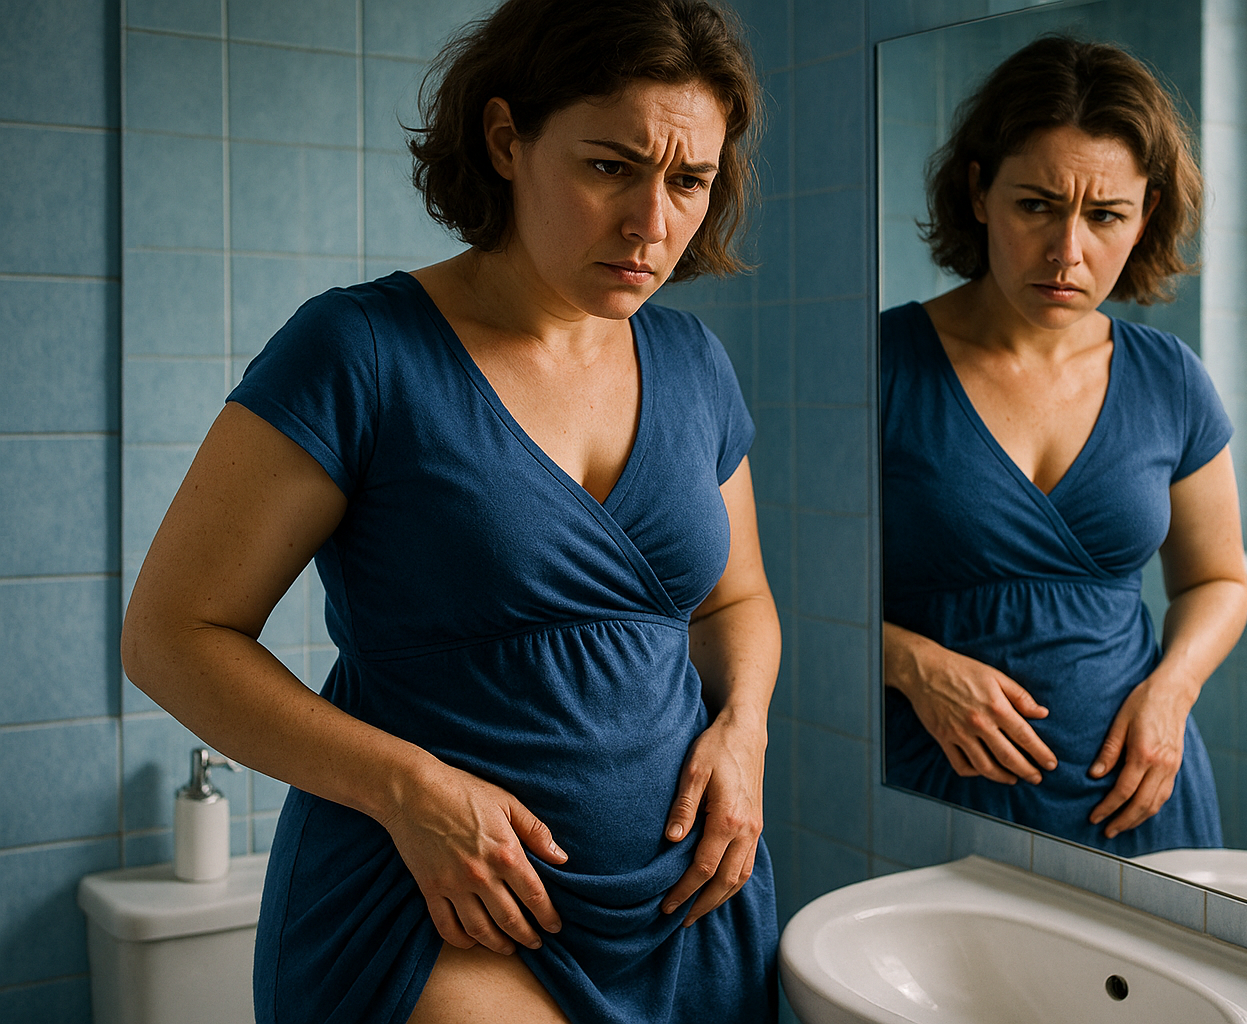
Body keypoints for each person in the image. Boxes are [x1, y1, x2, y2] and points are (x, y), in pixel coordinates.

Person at [119, 2, 780, 1021]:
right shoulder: (360, 351)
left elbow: (736, 603)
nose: (654, 223)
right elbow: (170, 636)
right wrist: (407, 792)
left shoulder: (695, 363)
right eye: (610, 167)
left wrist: (744, 729)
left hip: (688, 915)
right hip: (436, 909)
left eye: (688, 181)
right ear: (508, 139)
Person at [881, 34, 1247, 857]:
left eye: (1106, 215)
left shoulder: (1170, 379)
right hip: (935, 799)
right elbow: (781, 585)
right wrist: (908, 663)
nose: (1067, 251)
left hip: (1142, 796)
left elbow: (1218, 580)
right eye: (1037, 205)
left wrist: (1172, 693)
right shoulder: (882, 366)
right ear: (979, 193)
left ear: (1144, 216)